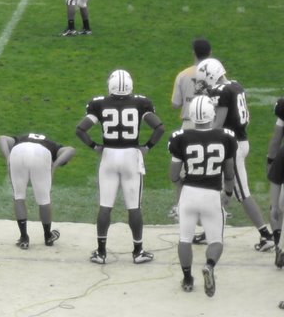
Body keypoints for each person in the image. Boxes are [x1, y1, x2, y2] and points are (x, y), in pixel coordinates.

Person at [76, 69, 164, 265]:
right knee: (134, 207)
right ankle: (138, 251)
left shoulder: (99, 104)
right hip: (131, 156)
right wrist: (147, 147)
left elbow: (80, 129)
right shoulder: (141, 103)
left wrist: (95, 146)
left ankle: (100, 252)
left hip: (108, 155)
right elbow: (159, 127)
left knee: (105, 206)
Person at [195, 57, 275, 251]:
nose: (204, 84)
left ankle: (266, 235)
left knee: (242, 193)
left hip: (232, 147)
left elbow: (218, 123)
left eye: (204, 80)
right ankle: (211, 229)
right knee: (217, 189)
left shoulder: (221, 91)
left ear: (211, 75)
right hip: (240, 140)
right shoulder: (235, 85)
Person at [168, 95, 237, 295]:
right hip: (212, 194)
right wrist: (229, 192)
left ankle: (188, 279)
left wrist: (180, 184)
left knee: (185, 239)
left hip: (189, 193)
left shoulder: (180, 137)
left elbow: (173, 174)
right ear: (211, 113)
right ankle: (209, 266)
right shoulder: (225, 137)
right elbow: (230, 172)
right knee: (216, 241)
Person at [0, 133, 75, 249]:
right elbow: (71, 150)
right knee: (44, 199)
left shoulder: (21, 138)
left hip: (17, 152)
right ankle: (48, 236)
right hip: (41, 155)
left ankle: (24, 238)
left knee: (18, 196)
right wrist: (54, 166)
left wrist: (8, 157)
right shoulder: (54, 147)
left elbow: (1, 138)